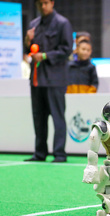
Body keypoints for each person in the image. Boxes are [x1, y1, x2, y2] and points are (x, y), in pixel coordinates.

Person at [24, 0, 73, 163]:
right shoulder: (33, 24)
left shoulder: (62, 23)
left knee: (58, 117)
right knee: (38, 117)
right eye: (39, 3)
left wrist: (45, 56)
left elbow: (66, 50)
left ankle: (59, 154)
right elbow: (28, 51)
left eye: (45, 2)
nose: (42, 6)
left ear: (52, 3)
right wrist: (28, 40)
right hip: (37, 79)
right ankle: (39, 153)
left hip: (55, 79)